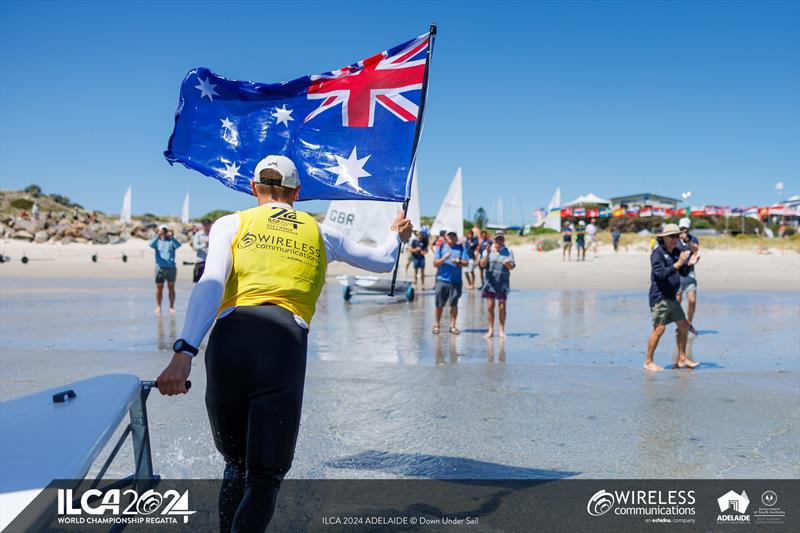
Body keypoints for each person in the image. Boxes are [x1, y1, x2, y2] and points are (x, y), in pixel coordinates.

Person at [156, 155, 412, 532]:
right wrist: (397, 234)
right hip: (282, 347)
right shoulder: (322, 232)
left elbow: (210, 284)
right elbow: (383, 260)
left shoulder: (232, 223)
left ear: (253, 188)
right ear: (298, 192)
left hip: (228, 345)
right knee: (264, 477)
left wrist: (184, 353)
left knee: (236, 464)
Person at [644, 223, 700, 371]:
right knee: (659, 329)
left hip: (671, 297)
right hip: (659, 296)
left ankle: (682, 359)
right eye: (672, 236)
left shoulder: (676, 251)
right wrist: (679, 262)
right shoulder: (657, 253)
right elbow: (660, 274)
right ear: (664, 238)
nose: (675, 239)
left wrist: (689, 264)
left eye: (677, 236)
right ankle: (648, 361)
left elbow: (681, 272)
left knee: (684, 326)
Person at [480, 230, 515, 338]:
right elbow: (481, 265)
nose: (499, 241)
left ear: (504, 240)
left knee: (502, 307)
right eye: (497, 239)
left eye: (501, 239)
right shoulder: (488, 250)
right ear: (494, 240)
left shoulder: (508, 251)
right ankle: (490, 330)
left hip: (503, 283)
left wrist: (507, 263)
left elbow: (512, 267)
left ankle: (501, 330)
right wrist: (487, 255)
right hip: (490, 283)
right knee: (490, 307)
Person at [432, 230, 469, 335]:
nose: (452, 237)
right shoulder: (440, 247)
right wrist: (444, 258)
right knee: (439, 304)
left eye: (454, 235)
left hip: (456, 281)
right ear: (446, 237)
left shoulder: (461, 247)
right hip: (442, 280)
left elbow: (466, 263)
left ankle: (452, 326)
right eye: (450, 235)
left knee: (454, 304)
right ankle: (437, 325)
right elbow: (435, 263)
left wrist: (459, 262)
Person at [675, 218, 700, 335]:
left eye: (685, 228)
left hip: (690, 274)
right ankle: (680, 325)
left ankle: (689, 323)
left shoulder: (693, 239)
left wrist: (688, 241)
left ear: (688, 228)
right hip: (677, 274)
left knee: (692, 301)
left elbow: (696, 250)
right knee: (677, 301)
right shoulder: (675, 239)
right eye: (681, 228)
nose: (683, 230)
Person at [150, 225, 181, 315]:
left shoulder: (171, 241)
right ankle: (158, 306)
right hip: (160, 268)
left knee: (171, 287)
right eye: (162, 230)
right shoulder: (157, 241)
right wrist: (158, 235)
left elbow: (178, 245)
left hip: (171, 267)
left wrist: (171, 236)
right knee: (159, 288)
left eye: (164, 230)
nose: (163, 232)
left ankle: (171, 306)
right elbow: (151, 245)